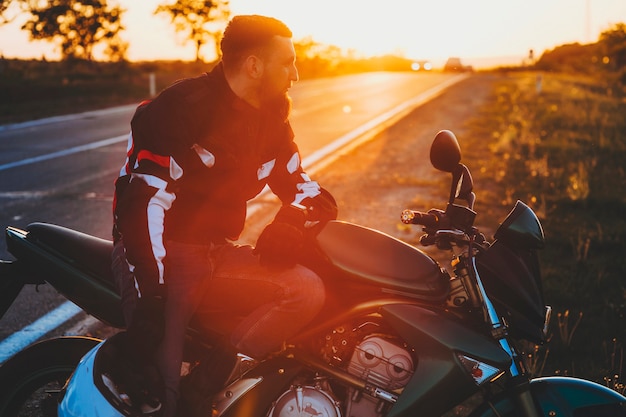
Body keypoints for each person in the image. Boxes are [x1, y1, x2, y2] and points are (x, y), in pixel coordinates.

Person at [110, 14, 337, 417]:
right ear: (254, 65)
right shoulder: (180, 108)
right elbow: (142, 202)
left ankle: (208, 381)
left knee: (308, 291)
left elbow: (307, 190)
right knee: (161, 400)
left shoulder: (271, 121)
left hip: (216, 251)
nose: (296, 74)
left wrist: (291, 220)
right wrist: (154, 294)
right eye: (287, 62)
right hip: (160, 251)